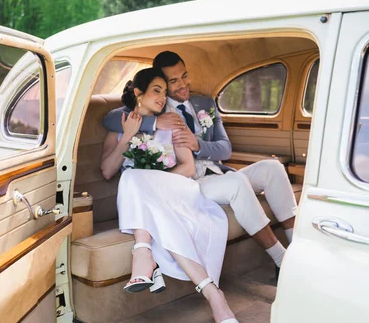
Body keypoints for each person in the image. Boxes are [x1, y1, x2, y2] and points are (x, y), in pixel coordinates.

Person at [104, 51, 297, 278]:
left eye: (184, 76)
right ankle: (281, 259)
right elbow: (109, 118)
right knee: (235, 183)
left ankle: (297, 249)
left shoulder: (204, 102)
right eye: (173, 81)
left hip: (216, 171)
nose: (183, 84)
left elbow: (225, 148)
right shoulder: (156, 106)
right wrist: (155, 122)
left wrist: (198, 144)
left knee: (273, 168)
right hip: (191, 180)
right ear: (161, 83)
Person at [100, 68, 240, 323]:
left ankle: (143, 254)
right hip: (145, 201)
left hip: (178, 189)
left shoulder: (173, 122)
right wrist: (128, 135)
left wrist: (156, 183)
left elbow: (188, 167)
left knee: (135, 179)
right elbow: (107, 171)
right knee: (132, 179)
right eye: (156, 90)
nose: (163, 97)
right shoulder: (120, 124)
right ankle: (214, 295)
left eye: (165, 92)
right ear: (138, 93)